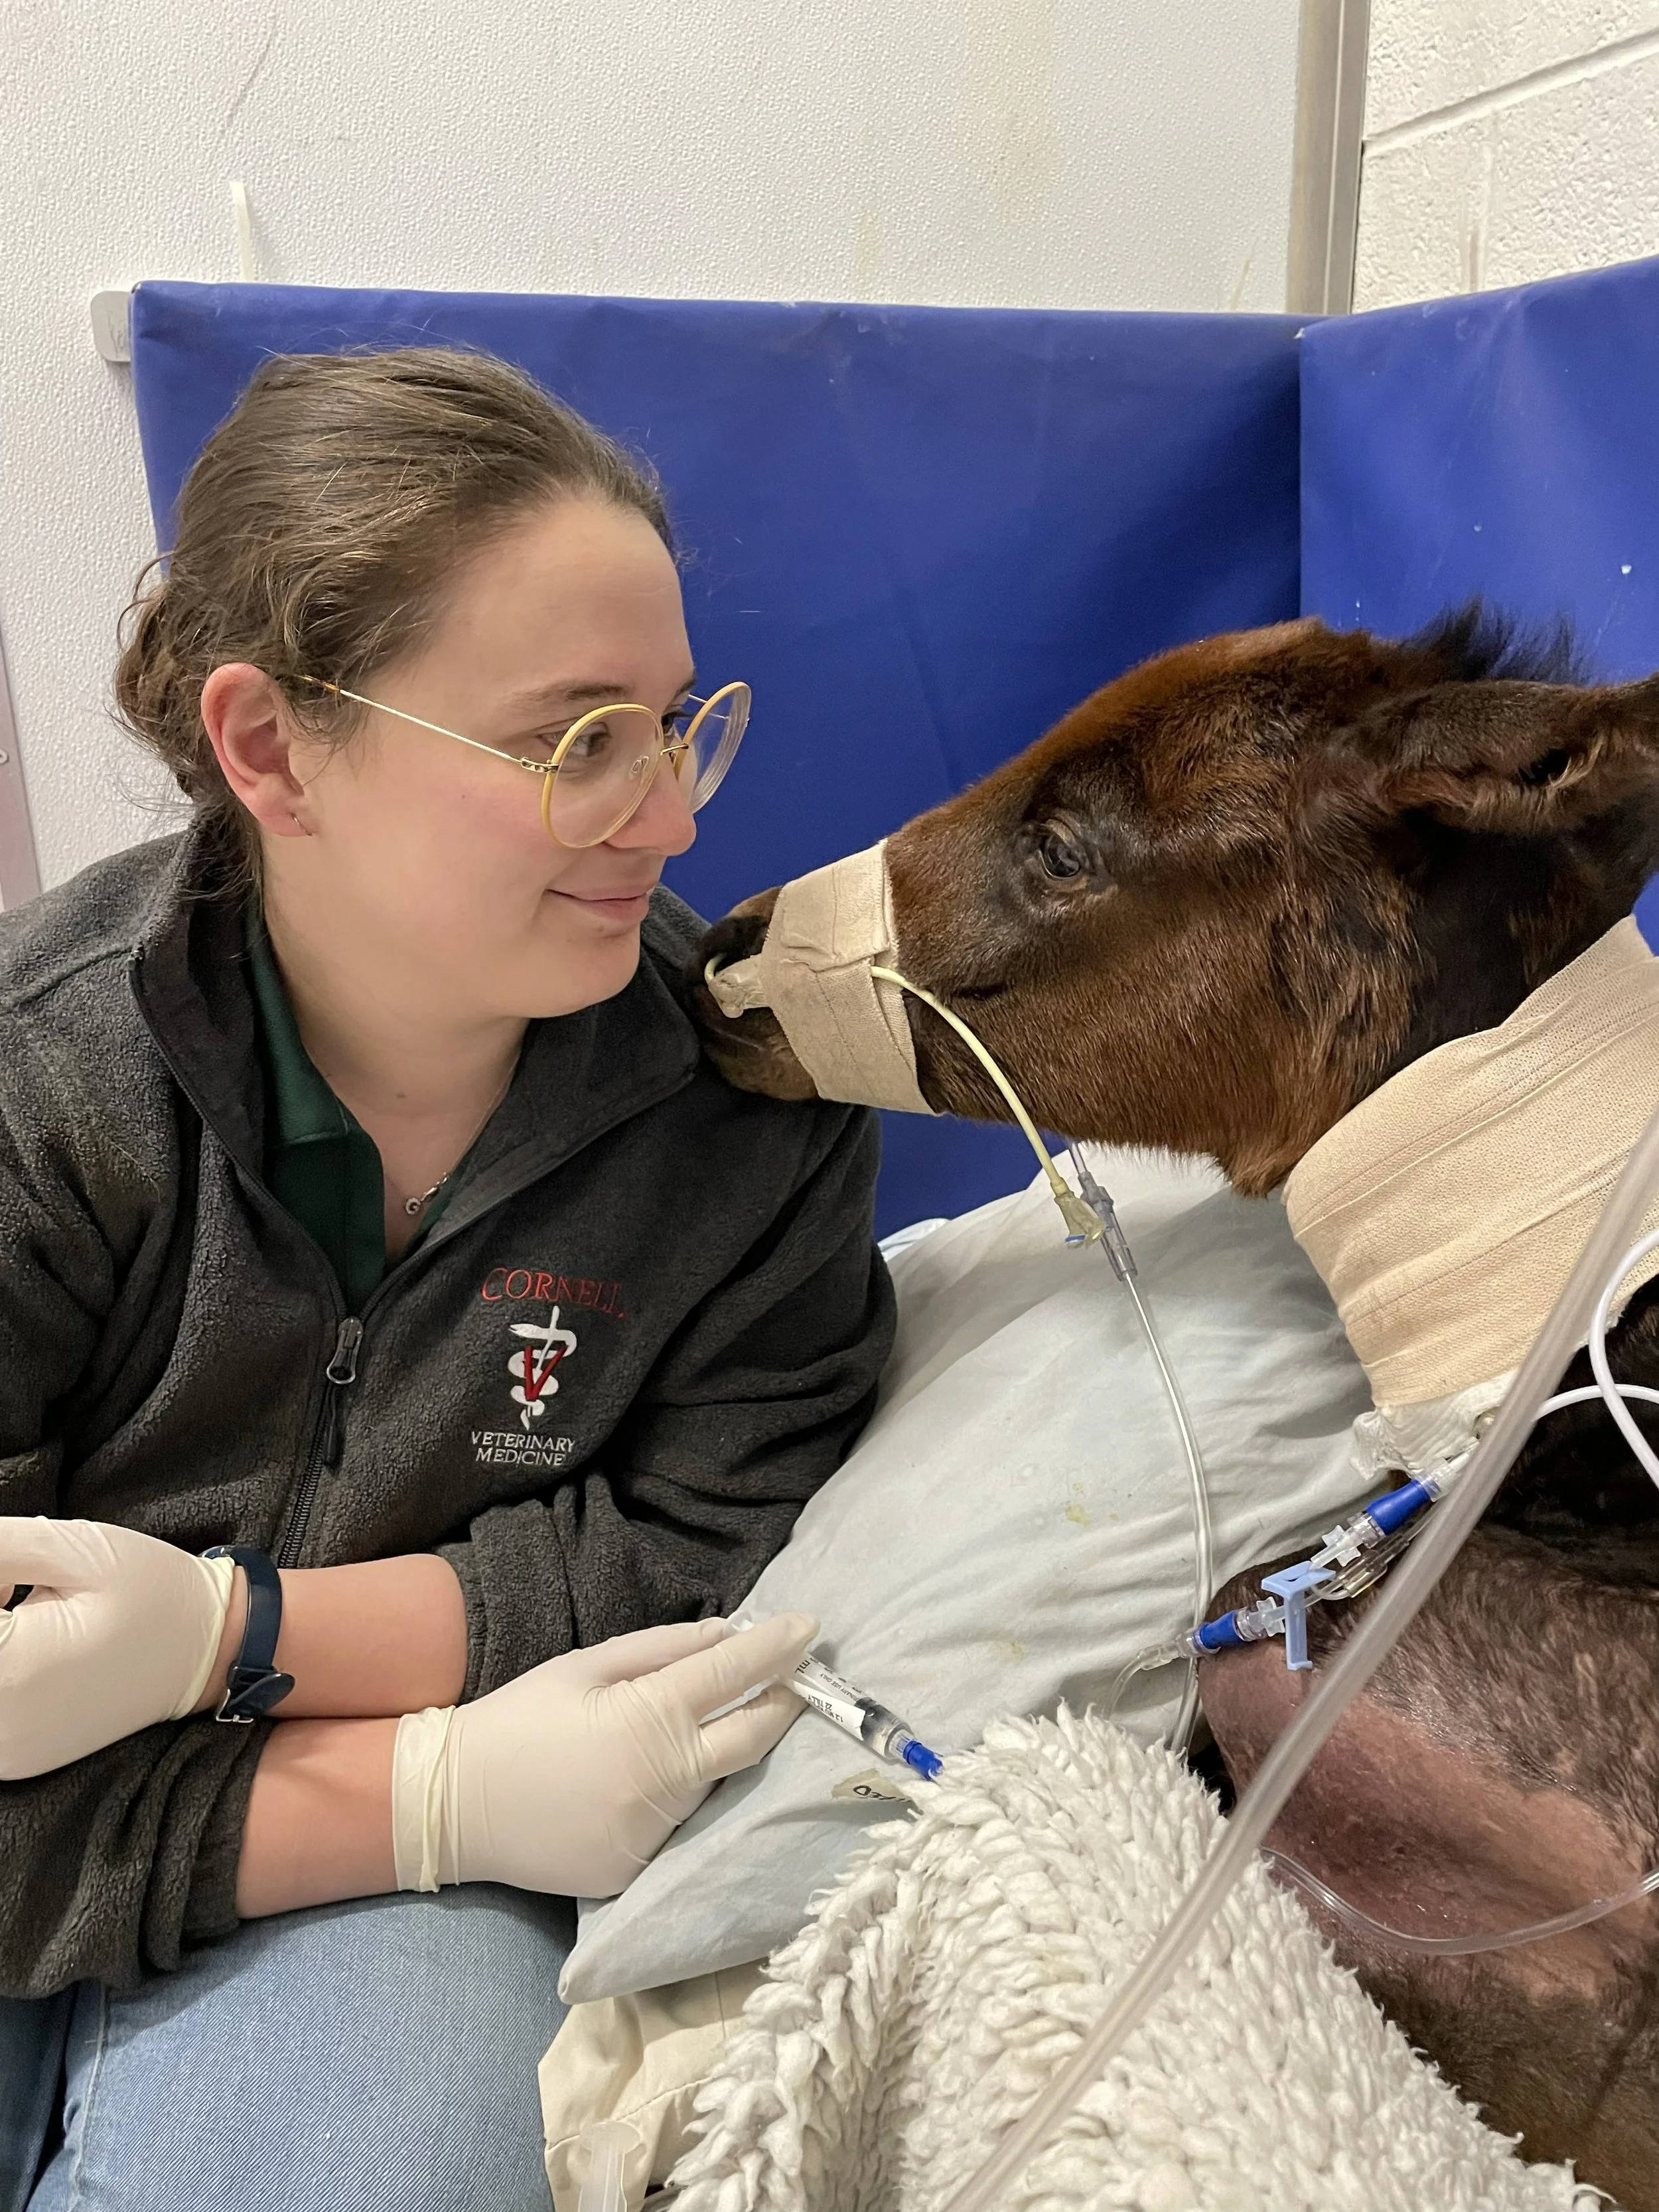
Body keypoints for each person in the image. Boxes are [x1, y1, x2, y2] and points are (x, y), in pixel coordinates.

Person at [0, 347, 894, 2211]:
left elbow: (696, 1547)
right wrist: (410, 1780)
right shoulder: (40, 1091)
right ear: (266, 748)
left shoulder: (751, 1117)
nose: (670, 820)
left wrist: (254, 1656)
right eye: (577, 740)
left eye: (675, 719)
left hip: (396, 1853)